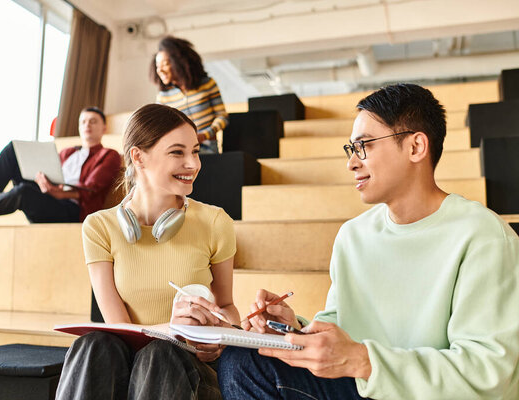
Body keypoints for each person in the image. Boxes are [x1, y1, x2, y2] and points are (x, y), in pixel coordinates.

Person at [217, 84, 519, 399]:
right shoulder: (353, 235)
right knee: (242, 360)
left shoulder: (483, 236)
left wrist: (366, 361)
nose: (352, 163)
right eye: (352, 149)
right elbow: (341, 326)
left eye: (364, 146)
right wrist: (293, 328)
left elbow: (487, 374)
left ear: (416, 147)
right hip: (364, 387)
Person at [55, 103, 240, 400]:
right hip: (125, 366)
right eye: (178, 152)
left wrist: (218, 334)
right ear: (138, 156)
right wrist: (171, 327)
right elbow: (120, 329)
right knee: (95, 344)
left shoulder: (215, 221)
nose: (193, 163)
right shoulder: (99, 227)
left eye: (195, 151)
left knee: (161, 353)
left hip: (187, 371)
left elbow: (227, 305)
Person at [0, 107, 122, 230]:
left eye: (93, 122)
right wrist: (45, 183)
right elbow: (53, 175)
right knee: (12, 150)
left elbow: (89, 190)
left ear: (104, 127)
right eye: (83, 122)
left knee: (24, 192)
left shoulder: (109, 155)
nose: (87, 125)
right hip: (49, 197)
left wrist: (54, 192)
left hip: (72, 211)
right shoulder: (68, 152)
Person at [151, 35, 228, 154]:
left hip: (208, 148)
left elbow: (222, 117)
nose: (159, 71)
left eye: (165, 64)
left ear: (179, 63)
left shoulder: (207, 84)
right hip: (180, 151)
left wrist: (204, 135)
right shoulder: (163, 97)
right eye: (157, 66)